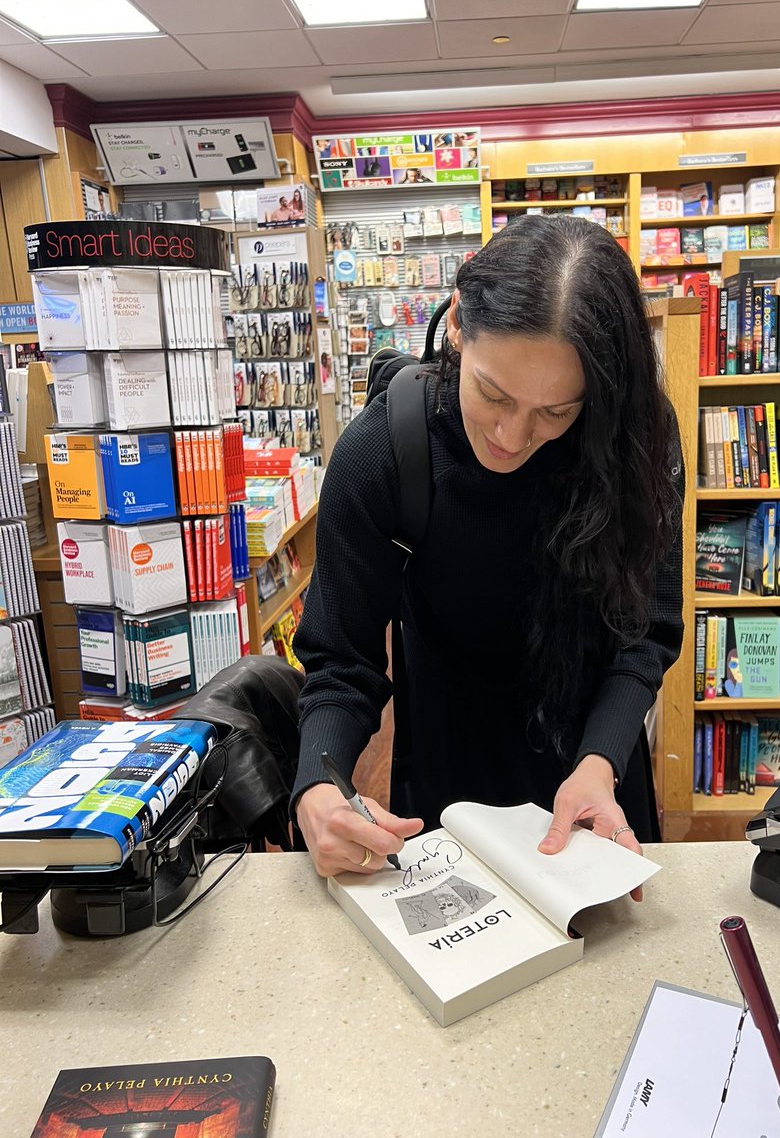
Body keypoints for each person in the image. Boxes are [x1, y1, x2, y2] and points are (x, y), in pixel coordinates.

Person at [292, 215, 684, 888]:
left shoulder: (633, 444)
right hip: (447, 780)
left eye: (556, 412)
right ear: (456, 326)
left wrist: (600, 760)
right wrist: (316, 787)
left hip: (594, 775)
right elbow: (341, 661)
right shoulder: (381, 455)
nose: (510, 435)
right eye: (491, 392)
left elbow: (646, 633)